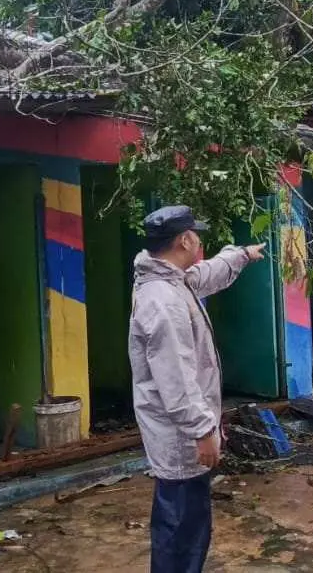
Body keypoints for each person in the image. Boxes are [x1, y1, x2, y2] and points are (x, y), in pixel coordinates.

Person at [128, 205, 266, 573]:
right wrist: (202, 431)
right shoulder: (163, 302)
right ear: (184, 241)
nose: (200, 241)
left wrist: (241, 255)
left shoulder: (170, 281)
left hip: (181, 430)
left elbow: (205, 275)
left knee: (185, 525)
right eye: (196, 235)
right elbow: (176, 378)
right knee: (181, 531)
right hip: (180, 435)